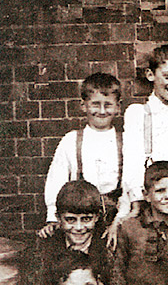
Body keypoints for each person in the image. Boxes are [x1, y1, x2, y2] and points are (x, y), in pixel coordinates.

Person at [107, 44, 168, 248]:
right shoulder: (139, 113)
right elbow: (132, 163)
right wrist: (135, 203)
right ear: (151, 75)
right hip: (146, 206)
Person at [39, 72, 127, 239]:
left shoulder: (125, 141)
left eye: (108, 105)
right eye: (95, 104)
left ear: (118, 107)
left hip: (116, 219)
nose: (101, 111)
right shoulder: (72, 140)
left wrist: (121, 219)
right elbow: (56, 180)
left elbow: (131, 185)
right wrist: (52, 217)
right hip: (80, 220)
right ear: (83, 105)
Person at [37, 180, 113, 285]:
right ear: (59, 219)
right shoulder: (49, 246)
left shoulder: (107, 244)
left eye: (86, 219)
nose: (78, 228)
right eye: (70, 219)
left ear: (97, 217)